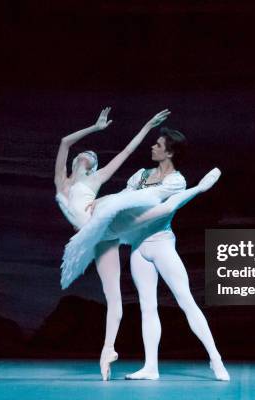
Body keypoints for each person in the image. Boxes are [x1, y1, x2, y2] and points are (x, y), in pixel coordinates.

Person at [60, 128, 230, 381]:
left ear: (170, 152)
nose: (152, 147)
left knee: (185, 300)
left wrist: (107, 205)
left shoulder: (176, 181)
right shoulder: (141, 174)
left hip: (161, 243)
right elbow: (124, 197)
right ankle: (151, 367)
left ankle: (216, 361)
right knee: (147, 307)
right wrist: (101, 203)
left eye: (158, 145)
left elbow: (153, 200)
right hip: (139, 247)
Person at [54, 107, 171, 380]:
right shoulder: (62, 180)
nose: (89, 155)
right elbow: (64, 142)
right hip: (93, 237)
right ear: (76, 160)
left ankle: (168, 204)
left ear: (93, 166)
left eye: (93, 157)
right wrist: (96, 128)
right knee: (113, 298)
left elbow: (126, 153)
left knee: (110, 202)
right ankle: (108, 350)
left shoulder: (96, 178)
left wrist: (146, 126)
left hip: (101, 222)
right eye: (86, 153)